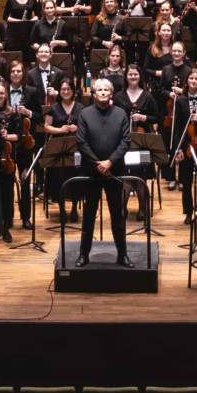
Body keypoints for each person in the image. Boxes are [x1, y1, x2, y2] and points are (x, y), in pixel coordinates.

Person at [73, 78, 133, 266]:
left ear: (111, 93)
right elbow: (81, 142)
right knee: (89, 215)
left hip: (115, 171)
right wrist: (99, 164)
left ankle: (122, 255)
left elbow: (126, 141)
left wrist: (110, 162)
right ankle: (84, 254)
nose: (103, 92)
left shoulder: (121, 113)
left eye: (106, 90)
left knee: (118, 216)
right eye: (99, 90)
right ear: (94, 94)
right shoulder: (85, 113)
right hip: (92, 171)